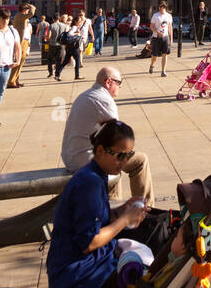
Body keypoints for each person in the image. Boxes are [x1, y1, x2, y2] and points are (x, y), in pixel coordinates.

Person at [47, 119, 149, 288]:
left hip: (74, 276)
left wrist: (122, 209)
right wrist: (125, 219)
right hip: (76, 285)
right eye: (120, 155)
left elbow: (94, 219)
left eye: (128, 155)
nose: (124, 161)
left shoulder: (94, 174)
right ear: (100, 150)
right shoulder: (90, 183)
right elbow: (89, 242)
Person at [60, 65, 154, 205]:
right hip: (84, 158)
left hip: (72, 155)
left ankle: (115, 209)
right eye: (119, 82)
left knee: (115, 160)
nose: (120, 86)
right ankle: (145, 210)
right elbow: (118, 136)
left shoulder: (86, 95)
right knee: (139, 161)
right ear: (108, 82)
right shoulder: (103, 99)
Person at [6, 3, 35, 88]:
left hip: (25, 41)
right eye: (27, 9)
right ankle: (11, 82)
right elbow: (32, 13)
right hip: (20, 42)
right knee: (17, 62)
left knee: (21, 62)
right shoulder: (19, 15)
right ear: (25, 10)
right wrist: (31, 6)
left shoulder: (23, 17)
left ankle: (15, 80)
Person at [56, 11, 86, 82]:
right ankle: (77, 75)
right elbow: (69, 34)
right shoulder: (74, 27)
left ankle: (57, 74)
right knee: (78, 61)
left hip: (69, 47)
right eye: (79, 21)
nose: (80, 22)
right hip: (74, 47)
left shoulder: (75, 26)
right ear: (76, 22)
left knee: (65, 62)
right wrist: (77, 33)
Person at [149, 1, 173, 77]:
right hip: (156, 37)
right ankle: (152, 65)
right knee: (154, 55)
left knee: (165, 54)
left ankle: (163, 71)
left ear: (165, 8)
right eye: (159, 7)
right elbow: (151, 27)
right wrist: (157, 32)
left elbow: (170, 27)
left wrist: (171, 38)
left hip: (165, 37)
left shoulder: (169, 16)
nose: (160, 8)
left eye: (161, 7)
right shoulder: (155, 15)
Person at [47, 11, 65, 78]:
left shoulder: (51, 25)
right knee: (59, 60)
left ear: (53, 18)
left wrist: (47, 39)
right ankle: (57, 74)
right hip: (61, 45)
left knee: (50, 59)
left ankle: (50, 72)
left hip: (52, 44)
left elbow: (49, 36)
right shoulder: (64, 25)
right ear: (59, 18)